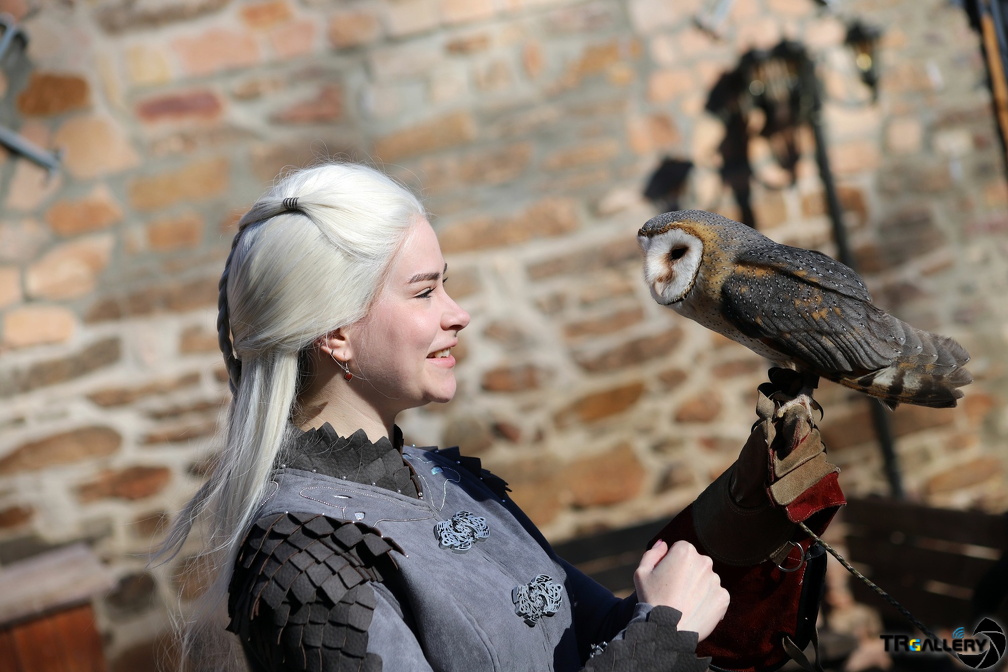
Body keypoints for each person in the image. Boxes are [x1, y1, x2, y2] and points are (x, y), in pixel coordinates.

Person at [158, 162, 844, 672]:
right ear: (335, 332)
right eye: (424, 292)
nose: (458, 313)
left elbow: (596, 636)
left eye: (446, 284)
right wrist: (664, 633)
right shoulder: (299, 563)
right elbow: (646, 641)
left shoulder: (447, 478)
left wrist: (742, 517)